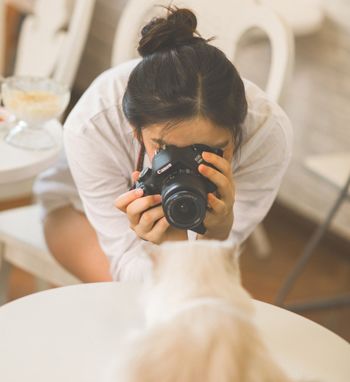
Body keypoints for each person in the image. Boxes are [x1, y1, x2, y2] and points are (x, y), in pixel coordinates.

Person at [34, 7, 293, 282]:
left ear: (240, 128)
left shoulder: (266, 135)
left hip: (186, 245)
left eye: (210, 150)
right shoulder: (94, 123)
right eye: (165, 148)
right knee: (136, 303)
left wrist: (217, 234)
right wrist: (173, 244)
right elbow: (128, 266)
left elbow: (207, 273)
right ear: (135, 131)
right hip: (75, 208)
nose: (185, 168)